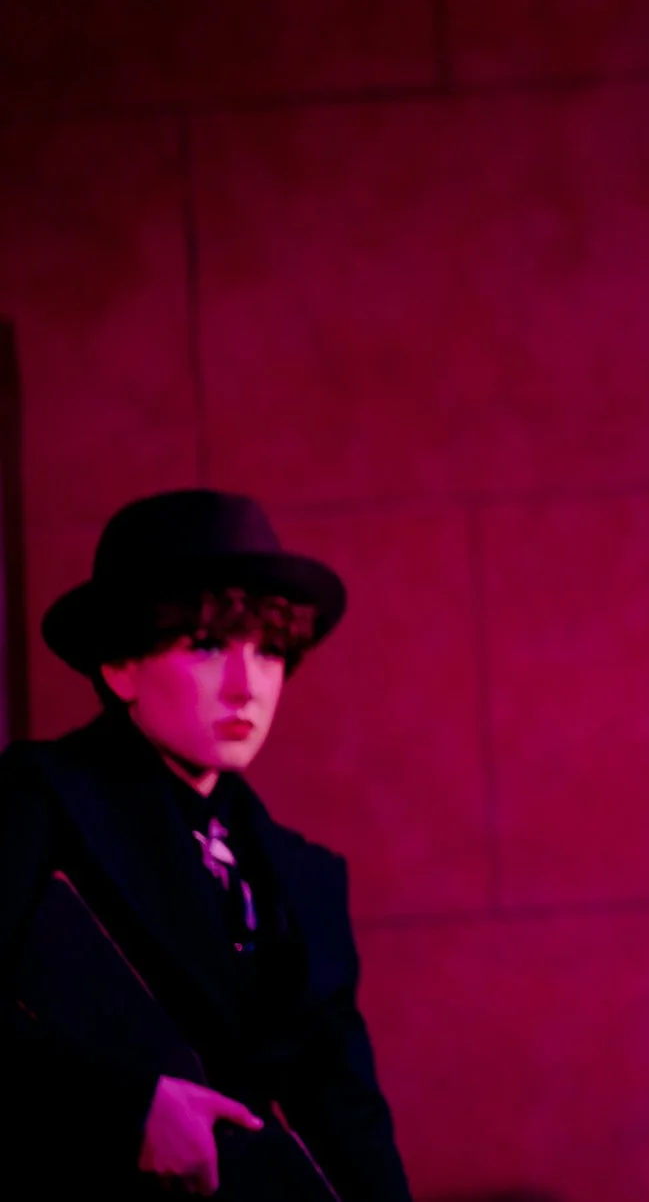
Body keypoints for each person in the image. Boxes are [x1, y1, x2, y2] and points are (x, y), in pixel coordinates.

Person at [0, 489, 411, 1200]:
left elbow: (348, 1118)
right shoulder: (37, 802)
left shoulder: (302, 875)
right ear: (121, 665)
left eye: (271, 651)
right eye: (207, 645)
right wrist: (127, 1110)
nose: (246, 687)